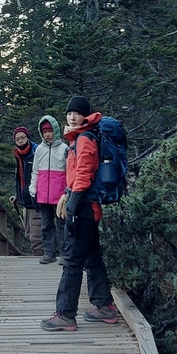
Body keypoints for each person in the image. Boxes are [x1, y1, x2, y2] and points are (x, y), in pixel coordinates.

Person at [40, 95, 118, 331]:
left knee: (72, 261)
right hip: (89, 207)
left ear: (85, 115)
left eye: (77, 113)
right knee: (92, 258)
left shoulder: (84, 139)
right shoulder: (84, 137)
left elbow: (83, 174)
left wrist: (73, 203)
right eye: (69, 113)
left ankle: (65, 314)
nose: (72, 116)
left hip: (82, 206)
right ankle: (105, 306)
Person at [29, 115, 68, 264]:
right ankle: (49, 253)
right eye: (44, 131)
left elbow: (69, 171)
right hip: (43, 194)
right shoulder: (39, 149)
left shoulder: (64, 148)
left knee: (62, 224)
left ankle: (64, 254)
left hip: (60, 195)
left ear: (55, 131)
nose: (47, 134)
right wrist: (33, 189)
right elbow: (35, 171)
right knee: (46, 224)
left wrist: (67, 191)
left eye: (50, 131)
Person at [12, 125, 42, 256]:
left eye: (22, 137)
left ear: (28, 137)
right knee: (29, 232)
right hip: (25, 200)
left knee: (37, 235)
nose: (20, 140)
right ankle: (39, 257)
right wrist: (18, 196)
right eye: (17, 138)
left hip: (37, 199)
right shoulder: (18, 155)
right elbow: (21, 178)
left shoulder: (37, 152)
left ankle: (40, 264)